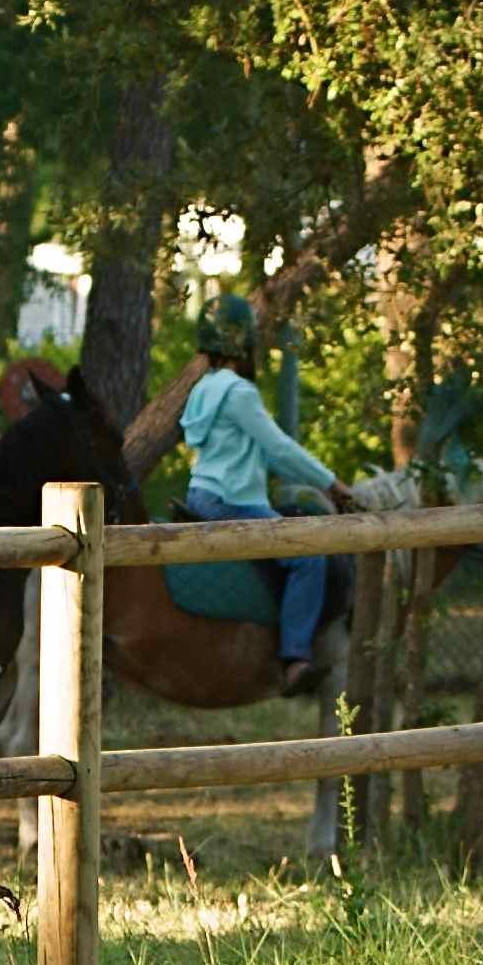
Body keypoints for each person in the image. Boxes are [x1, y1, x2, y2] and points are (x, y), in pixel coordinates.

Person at [177, 293, 358, 697]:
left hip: (200, 495)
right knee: (310, 557)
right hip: (233, 503)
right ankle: (295, 658)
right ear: (245, 342)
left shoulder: (202, 390)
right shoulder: (239, 393)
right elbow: (278, 448)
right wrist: (331, 482)